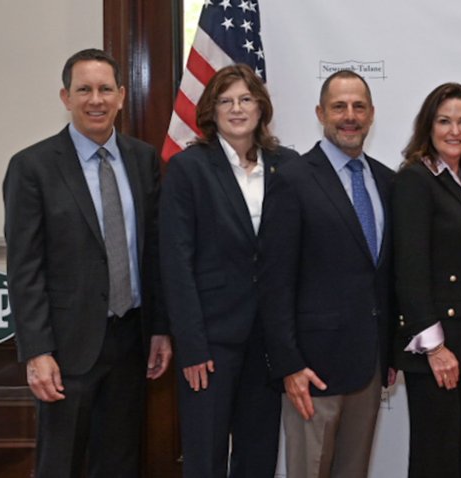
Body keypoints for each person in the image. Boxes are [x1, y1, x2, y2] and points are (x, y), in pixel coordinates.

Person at [3, 48, 172, 477]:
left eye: (104, 89)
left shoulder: (143, 158)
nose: (94, 100)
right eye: (83, 90)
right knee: (59, 464)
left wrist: (159, 328)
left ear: (120, 96)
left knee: (118, 463)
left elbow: (154, 254)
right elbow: (25, 268)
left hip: (130, 341)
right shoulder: (32, 167)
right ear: (65, 97)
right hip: (65, 349)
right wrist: (37, 351)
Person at [160, 65, 297, 478]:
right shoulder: (190, 168)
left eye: (245, 99)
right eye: (226, 100)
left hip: (269, 340)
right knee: (205, 455)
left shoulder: (285, 166)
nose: (237, 108)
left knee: (258, 453)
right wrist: (192, 343)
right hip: (211, 341)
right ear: (211, 110)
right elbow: (175, 260)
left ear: (261, 106)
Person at [258, 69, 396, 478]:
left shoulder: (387, 181)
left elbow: (383, 277)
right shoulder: (293, 179)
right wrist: (289, 365)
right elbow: (273, 281)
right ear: (321, 112)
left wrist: (388, 352)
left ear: (371, 115)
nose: (349, 116)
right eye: (339, 107)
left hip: (368, 367)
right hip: (311, 371)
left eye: (358, 107)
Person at [393, 82, 461, 478]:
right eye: (445, 121)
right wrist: (434, 348)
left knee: (455, 456)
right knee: (435, 460)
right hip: (436, 347)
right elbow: (410, 268)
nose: (455, 131)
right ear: (428, 127)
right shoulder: (416, 180)